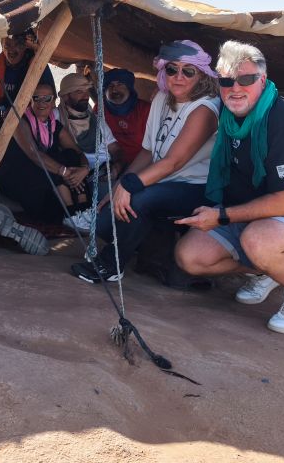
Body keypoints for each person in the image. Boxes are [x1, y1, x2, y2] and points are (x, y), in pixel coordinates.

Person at [173, 41, 284, 335]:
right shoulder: (227, 118)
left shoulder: (281, 119)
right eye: (227, 81)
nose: (235, 88)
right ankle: (268, 269)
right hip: (258, 215)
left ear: (262, 81)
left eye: (246, 79)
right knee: (189, 256)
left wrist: (222, 216)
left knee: (258, 240)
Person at [71, 41, 220, 284]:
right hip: (162, 180)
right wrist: (120, 184)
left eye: (188, 71)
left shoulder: (205, 108)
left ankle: (111, 265)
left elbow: (173, 162)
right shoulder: (162, 97)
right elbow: (148, 151)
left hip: (196, 187)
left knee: (139, 199)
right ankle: (148, 247)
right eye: (172, 69)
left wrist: (129, 185)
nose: (179, 77)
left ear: (201, 74)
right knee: (105, 220)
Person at [0, 81, 90, 224]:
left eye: (47, 98)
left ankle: (83, 208)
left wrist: (84, 170)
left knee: (70, 156)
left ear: (54, 101)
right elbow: (34, 154)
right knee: (52, 166)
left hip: (43, 174)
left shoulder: (54, 125)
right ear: (30, 100)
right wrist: (65, 172)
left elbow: (77, 152)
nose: (41, 103)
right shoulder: (19, 121)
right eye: (36, 98)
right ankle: (72, 213)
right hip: (16, 175)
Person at [56, 72, 119, 232]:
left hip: (104, 172)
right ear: (65, 96)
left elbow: (116, 150)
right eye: (78, 91)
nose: (85, 96)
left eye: (86, 92)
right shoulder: (56, 118)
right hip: (76, 174)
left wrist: (117, 168)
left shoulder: (97, 120)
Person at [102, 68, 152, 167]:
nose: (115, 89)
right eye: (110, 86)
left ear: (129, 88)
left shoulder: (146, 110)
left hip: (143, 166)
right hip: (112, 165)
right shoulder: (100, 110)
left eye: (120, 85)